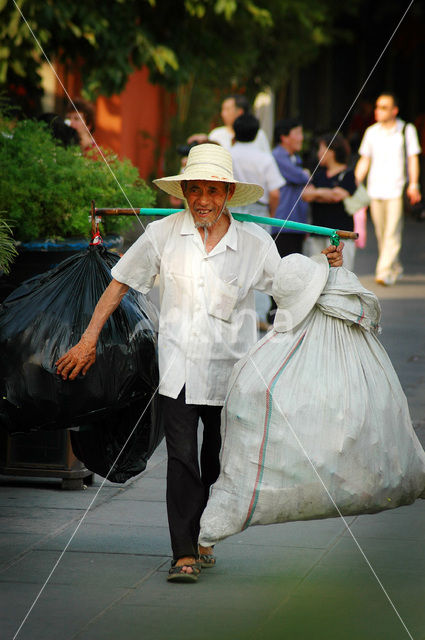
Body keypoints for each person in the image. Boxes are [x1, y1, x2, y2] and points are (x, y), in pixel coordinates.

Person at [55, 143, 343, 584]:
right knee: (182, 458)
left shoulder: (253, 242)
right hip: (179, 368)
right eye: (194, 190)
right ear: (184, 192)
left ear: (228, 192)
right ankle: (183, 552)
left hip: (233, 372)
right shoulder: (163, 235)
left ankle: (206, 529)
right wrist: (89, 337)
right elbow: (119, 283)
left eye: (212, 190)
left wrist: (325, 267)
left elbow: (288, 285)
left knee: (218, 459)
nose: (202, 200)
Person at [355, 92, 421, 285]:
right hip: (375, 189)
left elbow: (413, 158)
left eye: (384, 107)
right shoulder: (371, 132)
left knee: (392, 231)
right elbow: (364, 160)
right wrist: (355, 183)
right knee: (382, 233)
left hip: (395, 189)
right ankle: (395, 266)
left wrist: (414, 183)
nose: (378, 111)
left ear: (394, 111)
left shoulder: (406, 130)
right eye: (377, 107)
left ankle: (382, 271)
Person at [302, 132, 357, 271]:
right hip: (317, 231)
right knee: (317, 274)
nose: (319, 153)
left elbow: (337, 196)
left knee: (341, 274)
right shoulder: (319, 174)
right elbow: (306, 195)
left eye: (321, 149)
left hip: (341, 235)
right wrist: (326, 193)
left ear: (331, 151)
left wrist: (317, 193)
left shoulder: (348, 174)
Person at [271, 118, 310, 257]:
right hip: (283, 224)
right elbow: (301, 177)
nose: (301, 138)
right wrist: (305, 174)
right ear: (284, 137)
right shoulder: (278, 156)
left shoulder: (295, 158)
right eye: (298, 133)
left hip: (297, 223)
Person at [188, 95, 270, 152]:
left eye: (227, 109)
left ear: (240, 112)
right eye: (223, 110)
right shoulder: (216, 134)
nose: (223, 114)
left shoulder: (258, 135)